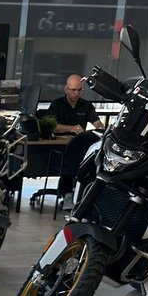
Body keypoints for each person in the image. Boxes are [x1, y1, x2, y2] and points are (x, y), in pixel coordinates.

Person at [45, 75, 103, 208]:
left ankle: (85, 196)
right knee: (69, 162)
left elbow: (97, 122)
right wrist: (71, 128)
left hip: (80, 146)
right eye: (73, 90)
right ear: (66, 89)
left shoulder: (86, 105)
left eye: (79, 90)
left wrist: (101, 128)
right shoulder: (57, 104)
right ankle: (67, 195)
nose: (76, 93)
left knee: (92, 161)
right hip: (60, 146)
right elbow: (51, 126)